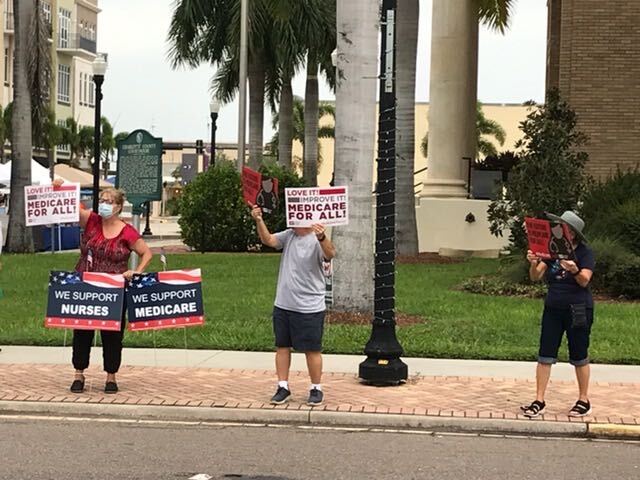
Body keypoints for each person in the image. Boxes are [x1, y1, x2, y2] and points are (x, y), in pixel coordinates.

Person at [54, 180, 153, 394]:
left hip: (114, 289)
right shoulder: (91, 221)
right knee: (82, 331)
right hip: (86, 285)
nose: (104, 204)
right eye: (102, 201)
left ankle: (111, 376)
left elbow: (146, 252)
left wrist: (137, 270)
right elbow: (68, 207)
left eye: (109, 202)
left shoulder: (127, 231)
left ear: (118, 206)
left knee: (112, 334)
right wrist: (58, 189)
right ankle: (79, 374)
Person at [251, 205, 336, 406]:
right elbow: (269, 240)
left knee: (312, 349)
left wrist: (322, 237)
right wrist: (259, 220)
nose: (293, 221)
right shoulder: (289, 235)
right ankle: (283, 386)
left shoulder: (316, 239)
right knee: (282, 346)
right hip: (284, 303)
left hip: (309, 306)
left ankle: (316, 388)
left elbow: (330, 254)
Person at [521, 211, 595, 418]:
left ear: (573, 233)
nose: (561, 230)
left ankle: (583, 399)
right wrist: (534, 262)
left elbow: (584, 281)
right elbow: (536, 277)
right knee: (545, 353)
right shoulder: (552, 250)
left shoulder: (585, 253)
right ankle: (539, 399)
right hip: (553, 307)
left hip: (578, 308)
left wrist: (573, 269)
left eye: (566, 228)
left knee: (579, 353)